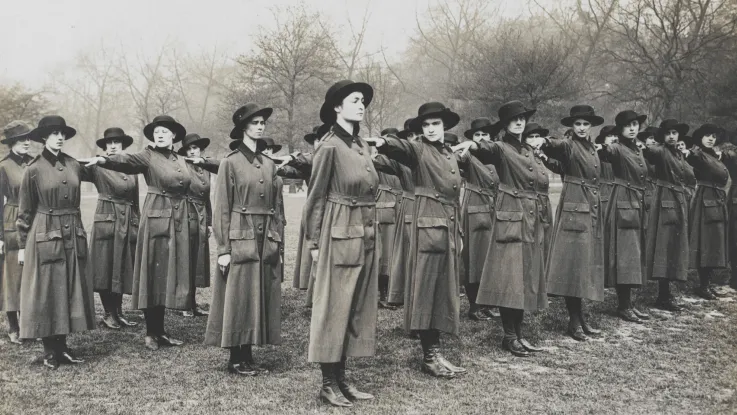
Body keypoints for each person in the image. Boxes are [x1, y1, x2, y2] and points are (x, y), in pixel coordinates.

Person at [367, 102, 467, 378]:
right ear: (421, 129)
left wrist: (457, 231)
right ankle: (429, 355)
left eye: (436, 124)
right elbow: (400, 147)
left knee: (440, 291)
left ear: (444, 126)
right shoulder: (419, 149)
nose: (432, 129)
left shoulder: (447, 152)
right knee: (426, 291)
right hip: (428, 228)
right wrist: (383, 141)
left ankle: (436, 352)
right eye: (427, 125)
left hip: (446, 225)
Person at [81, 115, 192, 350]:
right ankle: (152, 333)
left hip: (177, 220)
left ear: (174, 135)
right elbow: (124, 160)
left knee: (165, 277)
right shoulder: (147, 155)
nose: (160, 134)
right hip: (157, 220)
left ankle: (161, 332)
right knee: (154, 276)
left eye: (165, 131)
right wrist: (102, 159)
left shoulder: (179, 159)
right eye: (157, 131)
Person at [453, 101, 549, 358]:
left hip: (529, 219)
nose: (519, 123)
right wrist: (472, 145)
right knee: (510, 279)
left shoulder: (528, 149)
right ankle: (509, 336)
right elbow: (485, 148)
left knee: (523, 278)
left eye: (522, 119)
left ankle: (518, 334)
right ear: (505, 124)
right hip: (511, 219)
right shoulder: (501, 147)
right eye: (514, 119)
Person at [304, 80, 378, 407]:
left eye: (363, 101)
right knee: (333, 307)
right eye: (354, 100)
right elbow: (315, 196)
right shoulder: (329, 145)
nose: (361, 105)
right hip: (338, 230)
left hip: (363, 230)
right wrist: (314, 241)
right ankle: (327, 383)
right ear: (337, 107)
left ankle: (342, 379)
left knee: (352, 309)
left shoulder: (360, 145)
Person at [204, 103, 282, 376]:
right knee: (239, 295)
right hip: (241, 235)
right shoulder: (230, 162)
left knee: (257, 293)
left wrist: (277, 241)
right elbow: (222, 208)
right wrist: (223, 249)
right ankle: (236, 358)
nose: (260, 126)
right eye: (255, 122)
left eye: (263, 122)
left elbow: (277, 206)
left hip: (265, 237)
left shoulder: (270, 164)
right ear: (243, 128)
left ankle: (248, 354)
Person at [17, 116, 95, 369]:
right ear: (43, 137)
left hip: (72, 230)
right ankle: (50, 350)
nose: (59, 137)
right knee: (47, 290)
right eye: (53, 133)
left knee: (68, 288)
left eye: (62, 133)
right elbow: (25, 211)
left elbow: (98, 175)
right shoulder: (33, 168)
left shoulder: (73, 164)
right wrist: (21, 245)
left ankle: (63, 347)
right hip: (44, 232)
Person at [539, 105, 605, 341]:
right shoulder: (569, 145)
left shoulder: (591, 147)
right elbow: (555, 145)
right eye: (577, 124)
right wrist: (544, 142)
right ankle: (574, 321)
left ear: (591, 126)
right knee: (573, 264)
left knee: (584, 264)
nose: (581, 128)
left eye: (585, 124)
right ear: (571, 126)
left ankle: (580, 319)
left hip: (589, 206)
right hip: (575, 208)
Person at [597, 110, 651, 323]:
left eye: (635, 124)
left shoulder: (638, 149)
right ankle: (623, 305)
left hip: (635, 203)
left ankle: (628, 304)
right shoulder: (617, 148)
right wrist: (599, 147)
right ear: (620, 129)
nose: (632, 128)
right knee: (625, 254)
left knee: (633, 254)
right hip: (623, 204)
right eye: (628, 125)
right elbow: (604, 151)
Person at [87, 128, 140, 329]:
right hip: (107, 217)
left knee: (121, 265)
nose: (112, 145)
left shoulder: (130, 167)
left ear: (123, 145)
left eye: (117, 142)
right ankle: (109, 313)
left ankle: (118, 312)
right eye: (109, 143)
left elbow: (135, 200)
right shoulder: (97, 165)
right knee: (105, 266)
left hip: (127, 219)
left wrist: (137, 221)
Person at [643, 119, 691, 311]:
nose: (672, 136)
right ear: (663, 136)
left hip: (676, 201)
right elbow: (650, 152)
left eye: (675, 133)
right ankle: (663, 295)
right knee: (664, 246)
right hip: (665, 201)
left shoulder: (679, 153)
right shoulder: (661, 151)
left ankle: (666, 294)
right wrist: (645, 146)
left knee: (673, 246)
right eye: (668, 133)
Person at [460, 117, 500, 321]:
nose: (482, 138)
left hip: (493, 209)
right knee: (474, 257)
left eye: (485, 134)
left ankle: (486, 304)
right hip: (475, 209)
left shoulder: (496, 156)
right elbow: (456, 161)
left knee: (488, 257)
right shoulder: (468, 156)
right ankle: (474, 306)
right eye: (477, 135)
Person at [686, 124, 729, 300]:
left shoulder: (713, 155)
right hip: (706, 200)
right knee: (706, 242)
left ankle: (707, 284)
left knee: (713, 242)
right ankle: (703, 285)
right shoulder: (697, 154)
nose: (711, 138)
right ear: (700, 138)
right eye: (707, 136)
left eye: (713, 136)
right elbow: (691, 159)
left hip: (716, 199)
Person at [0, 121, 33, 344]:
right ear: (12, 143)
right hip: (11, 220)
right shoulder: (3, 167)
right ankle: (13, 325)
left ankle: (30, 323)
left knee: (31, 273)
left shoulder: (34, 163)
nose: (26, 142)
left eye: (28, 138)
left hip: (34, 221)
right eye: (21, 139)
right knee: (13, 274)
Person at [178, 133, 215, 317]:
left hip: (201, 215)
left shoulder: (205, 168)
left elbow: (207, 197)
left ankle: (193, 303)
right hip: (186, 213)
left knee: (197, 260)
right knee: (186, 259)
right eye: (189, 149)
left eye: (195, 148)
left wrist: (209, 222)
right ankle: (184, 305)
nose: (192, 151)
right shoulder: (182, 167)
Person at [386, 119, 418, 306]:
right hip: (410, 208)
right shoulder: (400, 162)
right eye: (409, 137)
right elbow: (380, 162)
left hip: (432, 211)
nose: (413, 140)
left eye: (416, 136)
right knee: (407, 256)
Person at [375, 128, 404, 310]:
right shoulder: (377, 160)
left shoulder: (402, 161)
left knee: (398, 253)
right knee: (385, 254)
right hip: (385, 209)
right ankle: (384, 294)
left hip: (402, 208)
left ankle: (396, 291)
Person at [262, 137, 286, 283]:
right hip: (266, 216)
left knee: (278, 251)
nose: (267, 152)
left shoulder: (277, 169)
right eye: (264, 149)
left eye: (270, 149)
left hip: (278, 216)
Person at [595, 126, 618, 215]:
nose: (613, 138)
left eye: (615, 135)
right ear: (603, 139)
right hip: (603, 194)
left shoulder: (621, 154)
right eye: (609, 135)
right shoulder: (598, 154)